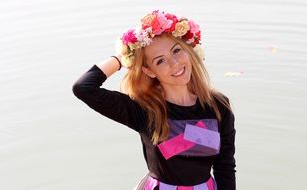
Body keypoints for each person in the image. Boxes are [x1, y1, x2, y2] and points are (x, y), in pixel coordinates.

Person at [72, 10, 236, 190]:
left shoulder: (218, 105)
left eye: (177, 50)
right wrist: (123, 57)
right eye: (160, 61)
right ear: (149, 71)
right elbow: (83, 88)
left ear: (188, 50)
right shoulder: (143, 110)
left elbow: (225, 166)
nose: (175, 64)